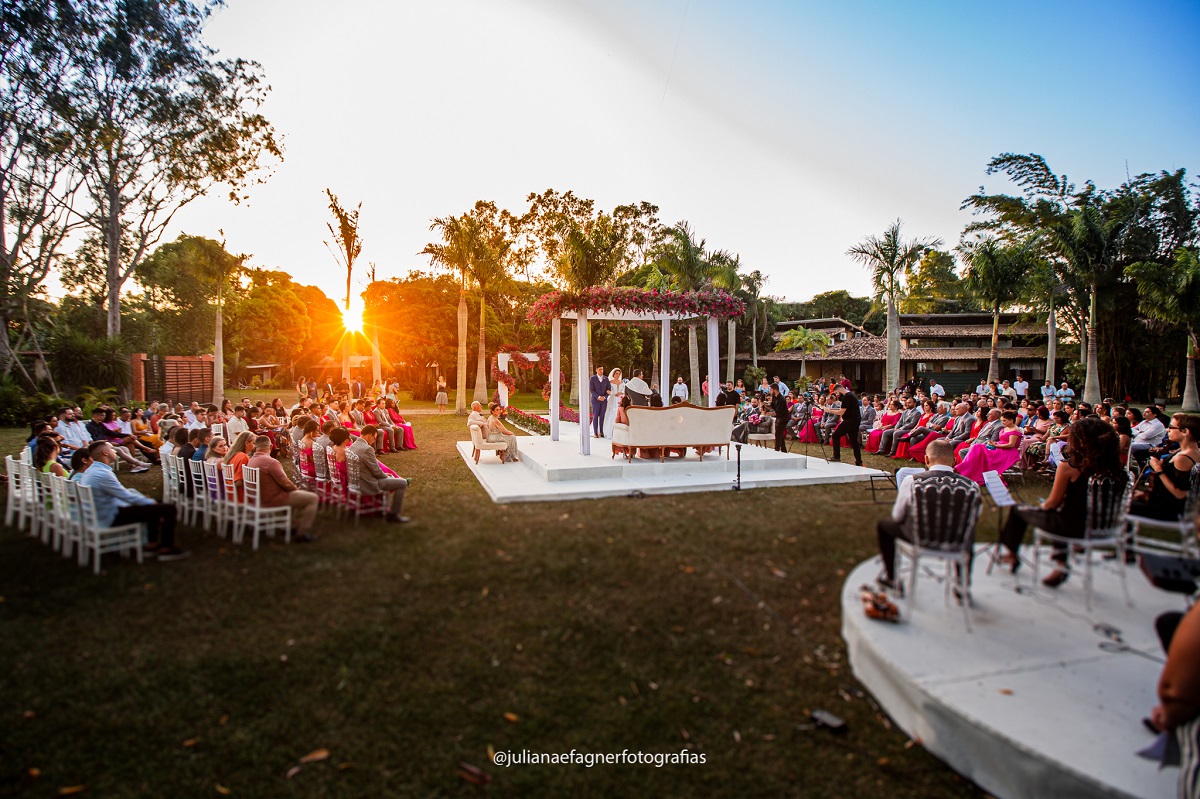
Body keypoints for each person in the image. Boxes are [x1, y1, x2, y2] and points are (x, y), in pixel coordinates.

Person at [997, 416, 1126, 585]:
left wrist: (1042, 506)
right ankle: (1061, 564)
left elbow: (1052, 503)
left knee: (1021, 510)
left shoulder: (1069, 467)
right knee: (1063, 513)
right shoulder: (1118, 471)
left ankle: (1014, 554)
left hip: (1072, 528)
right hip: (1107, 526)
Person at [875, 439, 978, 593]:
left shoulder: (911, 481)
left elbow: (897, 516)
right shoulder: (972, 486)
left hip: (919, 538)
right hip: (956, 542)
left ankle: (891, 578)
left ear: (926, 459)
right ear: (954, 461)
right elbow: (972, 518)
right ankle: (962, 584)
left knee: (884, 525)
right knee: (967, 531)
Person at [78, 441, 188, 560]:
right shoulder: (102, 474)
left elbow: (121, 493)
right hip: (110, 515)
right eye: (112, 449)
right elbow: (126, 496)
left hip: (103, 511)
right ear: (105, 452)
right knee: (168, 509)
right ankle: (166, 548)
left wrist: (147, 502)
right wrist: (150, 502)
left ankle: (151, 544)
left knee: (154, 506)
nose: (115, 451)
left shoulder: (92, 470)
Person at [246, 436, 320, 542]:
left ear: (255, 447)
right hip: (273, 499)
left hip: (259, 498)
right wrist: (296, 490)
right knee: (312, 498)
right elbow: (285, 483)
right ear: (271, 446)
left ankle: (291, 526)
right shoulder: (271, 462)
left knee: (294, 495)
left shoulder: (251, 460)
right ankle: (302, 533)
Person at [1131, 413, 1200, 521]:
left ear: (1185, 431)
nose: (1168, 429)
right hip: (1163, 501)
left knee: (1118, 506)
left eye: (1171, 427)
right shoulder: (1191, 451)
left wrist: (1158, 469)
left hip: (1168, 509)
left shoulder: (1183, 458)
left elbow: (1180, 494)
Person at [347, 426, 411, 523]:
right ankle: (393, 515)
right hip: (367, 483)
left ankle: (384, 509)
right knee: (402, 483)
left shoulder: (353, 445)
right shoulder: (367, 449)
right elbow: (377, 471)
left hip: (355, 482)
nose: (374, 441)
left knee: (389, 480)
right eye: (374, 438)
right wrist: (387, 476)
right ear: (369, 435)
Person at [956, 410, 1023, 484]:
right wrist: (994, 443)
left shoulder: (1015, 430)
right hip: (999, 447)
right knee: (977, 447)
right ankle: (969, 468)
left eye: (1004, 421)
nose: (1003, 423)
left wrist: (996, 445)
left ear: (1011, 420)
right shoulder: (1005, 428)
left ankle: (968, 469)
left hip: (1008, 452)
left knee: (979, 449)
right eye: (1002, 421)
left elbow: (1011, 445)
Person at [827, 384, 862, 465]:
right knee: (853, 441)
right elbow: (844, 409)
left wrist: (829, 410)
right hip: (855, 420)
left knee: (835, 435)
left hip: (850, 421)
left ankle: (836, 456)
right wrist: (831, 409)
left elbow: (841, 412)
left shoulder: (847, 396)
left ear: (839, 390)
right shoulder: (851, 395)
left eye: (836, 392)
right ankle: (858, 460)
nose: (837, 395)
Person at [589, 366, 610, 439]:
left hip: (604, 401)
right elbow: (592, 390)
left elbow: (609, 390)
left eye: (602, 369)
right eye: (600, 369)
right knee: (595, 416)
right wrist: (598, 397)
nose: (601, 371)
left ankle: (601, 431)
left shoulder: (606, 379)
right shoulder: (593, 378)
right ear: (596, 370)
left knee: (602, 416)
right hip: (595, 400)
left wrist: (604, 397)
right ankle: (595, 432)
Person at [603, 368, 625, 438]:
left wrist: (621, 393)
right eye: (616, 373)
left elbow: (624, 390)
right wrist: (612, 393)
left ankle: (618, 432)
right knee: (611, 413)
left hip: (619, 399)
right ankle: (609, 431)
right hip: (612, 399)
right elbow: (606, 390)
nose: (618, 375)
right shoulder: (610, 382)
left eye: (619, 374)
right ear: (613, 374)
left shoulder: (622, 382)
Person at [769, 385, 789, 452]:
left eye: (771, 390)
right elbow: (773, 406)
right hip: (779, 417)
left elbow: (778, 411)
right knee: (779, 433)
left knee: (778, 433)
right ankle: (783, 449)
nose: (770, 391)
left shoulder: (781, 399)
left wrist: (771, 413)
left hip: (783, 417)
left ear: (775, 390)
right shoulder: (774, 397)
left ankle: (777, 449)